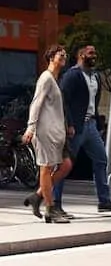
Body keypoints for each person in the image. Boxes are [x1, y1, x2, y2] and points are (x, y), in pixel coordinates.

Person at [53, 44, 111, 218]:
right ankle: (55, 203)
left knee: (101, 159)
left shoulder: (95, 76)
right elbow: (63, 101)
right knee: (64, 165)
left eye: (94, 52)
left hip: (91, 126)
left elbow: (93, 102)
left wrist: (98, 121)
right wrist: (69, 124)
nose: (94, 55)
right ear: (81, 55)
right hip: (75, 127)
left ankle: (104, 201)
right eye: (91, 53)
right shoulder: (72, 75)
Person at [21, 45, 73, 224]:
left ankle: (38, 196)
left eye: (65, 55)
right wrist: (31, 127)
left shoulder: (55, 79)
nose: (64, 57)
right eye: (61, 54)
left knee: (65, 165)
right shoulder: (46, 78)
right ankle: (50, 209)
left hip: (56, 133)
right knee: (46, 168)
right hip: (45, 132)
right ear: (51, 57)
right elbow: (36, 103)